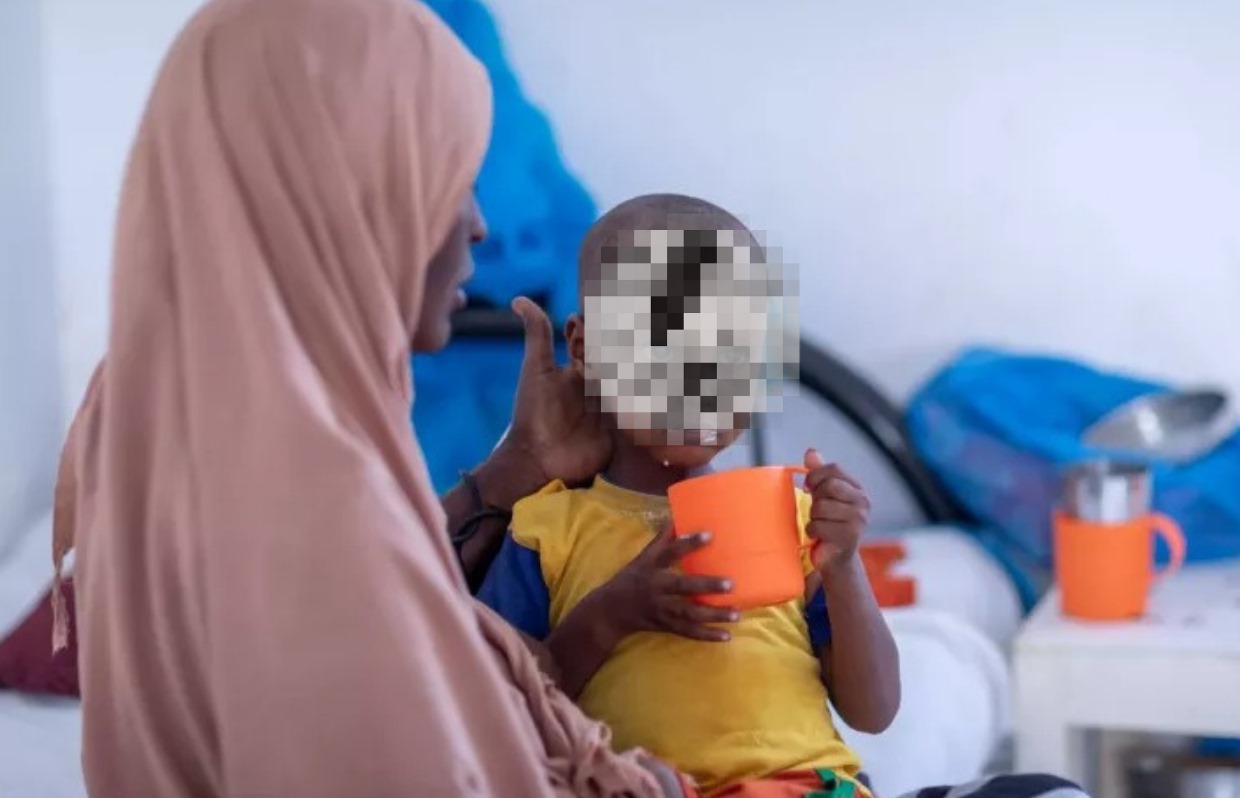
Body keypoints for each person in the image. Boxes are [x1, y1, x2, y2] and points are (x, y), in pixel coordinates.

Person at [49, 0, 680, 794]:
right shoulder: (311, 498)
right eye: (445, 174)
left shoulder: (150, 409)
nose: (479, 228)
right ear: (340, 181)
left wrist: (505, 479)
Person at [478, 194, 898, 797]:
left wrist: (845, 565)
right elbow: (498, 710)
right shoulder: (546, 529)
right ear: (586, 351)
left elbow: (874, 711)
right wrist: (613, 614)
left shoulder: (796, 519)